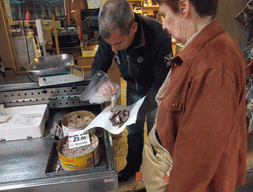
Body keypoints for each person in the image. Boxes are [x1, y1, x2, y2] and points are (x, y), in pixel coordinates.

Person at [141, 0, 247, 191]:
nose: (163, 25)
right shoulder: (205, 50)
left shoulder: (214, 65)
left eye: (164, 15)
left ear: (184, 7)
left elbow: (197, 160)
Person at [91, 0, 172, 182]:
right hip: (132, 88)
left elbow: (161, 86)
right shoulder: (111, 33)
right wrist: (101, 82)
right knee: (134, 132)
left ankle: (154, 175)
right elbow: (98, 66)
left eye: (118, 43)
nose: (113, 49)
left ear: (133, 28)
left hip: (155, 91)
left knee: (155, 135)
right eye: (109, 44)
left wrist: (134, 110)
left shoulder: (159, 36)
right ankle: (132, 168)